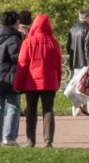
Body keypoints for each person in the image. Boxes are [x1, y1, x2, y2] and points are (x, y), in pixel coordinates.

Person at [14, 14, 62, 148]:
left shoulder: (28, 42)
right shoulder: (54, 42)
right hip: (49, 82)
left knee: (31, 111)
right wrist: (58, 81)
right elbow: (58, 65)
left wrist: (18, 84)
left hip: (32, 82)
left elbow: (22, 65)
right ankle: (48, 140)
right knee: (48, 110)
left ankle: (31, 140)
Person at [0, 11, 22, 146]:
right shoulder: (14, 38)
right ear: (14, 23)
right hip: (10, 76)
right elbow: (16, 57)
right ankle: (9, 137)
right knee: (13, 106)